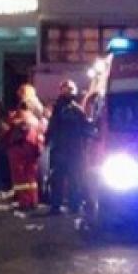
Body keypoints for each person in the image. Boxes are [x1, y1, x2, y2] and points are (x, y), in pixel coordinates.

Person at [46, 80, 94, 215]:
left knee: (62, 179)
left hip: (63, 149)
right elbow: (86, 129)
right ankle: (72, 205)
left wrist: (48, 141)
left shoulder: (60, 108)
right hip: (72, 150)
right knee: (72, 179)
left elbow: (52, 127)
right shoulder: (75, 109)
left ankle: (59, 206)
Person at [2, 100, 44, 214]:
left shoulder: (17, 120)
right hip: (33, 150)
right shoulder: (35, 120)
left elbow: (7, 133)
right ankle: (33, 200)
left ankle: (24, 202)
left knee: (20, 178)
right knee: (31, 177)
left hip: (18, 150)